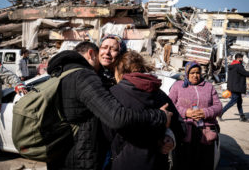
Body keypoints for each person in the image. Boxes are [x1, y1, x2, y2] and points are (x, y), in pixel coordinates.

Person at [46, 41, 172, 170]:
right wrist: (160, 116)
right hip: (82, 157)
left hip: (59, 155)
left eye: (113, 49)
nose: (107, 53)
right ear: (92, 54)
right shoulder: (85, 77)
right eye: (104, 48)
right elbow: (116, 118)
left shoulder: (60, 75)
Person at [104, 51, 185, 170]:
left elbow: (106, 134)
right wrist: (170, 139)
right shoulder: (159, 94)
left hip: (124, 163)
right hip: (157, 163)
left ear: (119, 71)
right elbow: (180, 126)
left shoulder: (113, 93)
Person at [169, 61, 222, 170]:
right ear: (187, 73)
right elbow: (170, 105)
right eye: (192, 72)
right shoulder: (178, 86)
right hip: (184, 131)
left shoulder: (208, 87)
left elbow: (218, 106)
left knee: (204, 163)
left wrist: (205, 112)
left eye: (198, 72)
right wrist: (186, 112)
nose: (195, 75)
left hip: (205, 131)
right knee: (183, 163)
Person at [219, 53, 249, 122]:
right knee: (233, 101)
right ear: (239, 58)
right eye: (242, 58)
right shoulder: (238, 66)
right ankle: (220, 113)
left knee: (239, 101)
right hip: (236, 87)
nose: (242, 59)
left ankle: (242, 116)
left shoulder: (232, 65)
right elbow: (246, 73)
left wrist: (229, 86)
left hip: (233, 86)